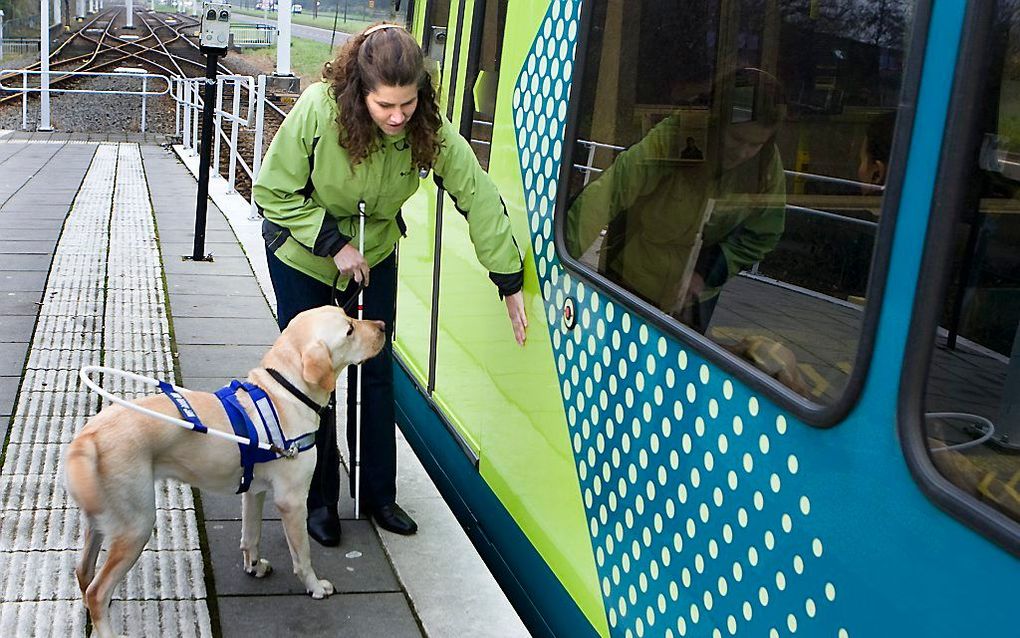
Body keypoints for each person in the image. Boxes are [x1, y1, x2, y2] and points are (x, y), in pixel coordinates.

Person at [253, 23, 528, 545]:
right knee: (316, 383)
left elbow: (477, 193)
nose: (398, 117)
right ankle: (319, 501)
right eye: (385, 106)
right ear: (360, 93)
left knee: (378, 375)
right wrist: (333, 243)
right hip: (303, 257)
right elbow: (272, 190)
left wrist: (507, 276)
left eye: (407, 103)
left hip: (375, 254)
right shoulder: (318, 110)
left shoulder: (427, 127)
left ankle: (380, 496)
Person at [566, 67, 787, 334]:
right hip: (633, 276)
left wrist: (708, 271)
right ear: (717, 121)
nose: (743, 152)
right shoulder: (678, 134)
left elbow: (763, 235)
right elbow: (609, 194)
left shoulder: (766, 167)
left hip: (694, 297)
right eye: (737, 138)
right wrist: (560, 257)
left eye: (755, 144)